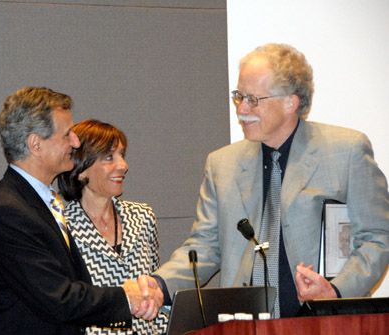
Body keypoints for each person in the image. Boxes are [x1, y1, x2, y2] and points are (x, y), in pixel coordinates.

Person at [150, 43, 389, 318]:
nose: (241, 109)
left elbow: (377, 237)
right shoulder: (222, 164)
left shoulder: (346, 151)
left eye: (253, 99)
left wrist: (335, 293)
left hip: (325, 323)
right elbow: (205, 245)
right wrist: (159, 286)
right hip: (245, 325)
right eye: (239, 96)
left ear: (290, 102)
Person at [0, 87, 162, 335]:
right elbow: (58, 298)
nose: (75, 142)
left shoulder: (37, 202)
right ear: (36, 145)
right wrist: (127, 297)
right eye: (66, 135)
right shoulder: (8, 212)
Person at [57, 119, 168, 335]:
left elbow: (155, 291)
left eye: (122, 155)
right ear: (82, 170)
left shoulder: (143, 216)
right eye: (109, 157)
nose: (123, 165)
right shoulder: (62, 227)